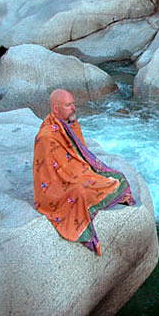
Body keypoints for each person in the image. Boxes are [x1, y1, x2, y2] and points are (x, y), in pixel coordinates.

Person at [32, 89, 135, 255]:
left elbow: (80, 155)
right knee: (80, 192)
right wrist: (74, 179)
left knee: (118, 177)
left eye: (73, 103)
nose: (73, 108)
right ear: (55, 109)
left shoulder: (70, 122)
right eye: (68, 105)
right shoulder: (46, 136)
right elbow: (48, 176)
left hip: (79, 171)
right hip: (58, 186)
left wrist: (86, 171)